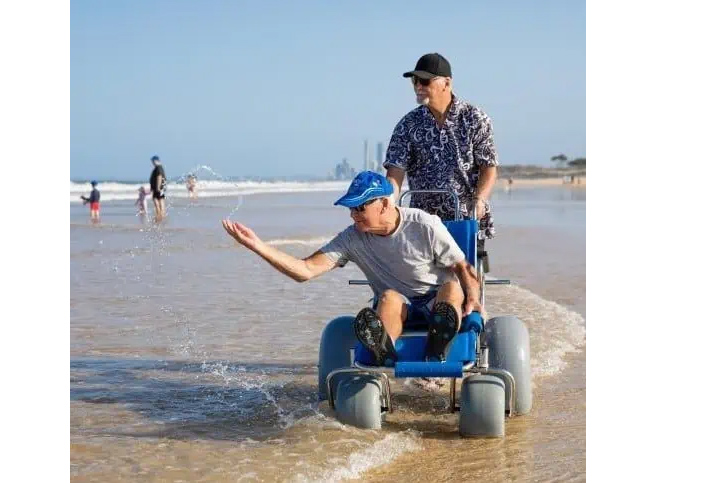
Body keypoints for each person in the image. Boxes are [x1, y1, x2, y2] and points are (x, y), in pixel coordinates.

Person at [222, 171, 483, 367]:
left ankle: (438, 347)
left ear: (384, 204)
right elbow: (305, 270)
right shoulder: (352, 238)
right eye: (351, 209)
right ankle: (385, 352)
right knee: (389, 297)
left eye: (360, 208)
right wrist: (257, 246)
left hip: (437, 301)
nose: (353, 215)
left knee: (451, 287)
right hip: (399, 305)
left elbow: (463, 268)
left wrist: (473, 299)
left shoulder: (424, 225)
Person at [384, 53, 499, 241]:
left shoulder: (475, 118)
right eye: (415, 81)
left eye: (425, 81)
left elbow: (489, 167)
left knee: (465, 270)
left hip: (464, 218)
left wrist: (480, 200)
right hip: (422, 222)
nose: (418, 87)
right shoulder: (408, 124)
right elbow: (395, 171)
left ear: (447, 83)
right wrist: (387, 204)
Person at [149, 155, 166, 221]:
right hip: (159, 188)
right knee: (160, 200)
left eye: (153, 161)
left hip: (158, 188)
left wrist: (158, 187)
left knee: (158, 200)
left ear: (156, 161)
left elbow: (159, 176)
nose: (152, 163)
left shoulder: (158, 168)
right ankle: (161, 214)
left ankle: (160, 215)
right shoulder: (159, 167)